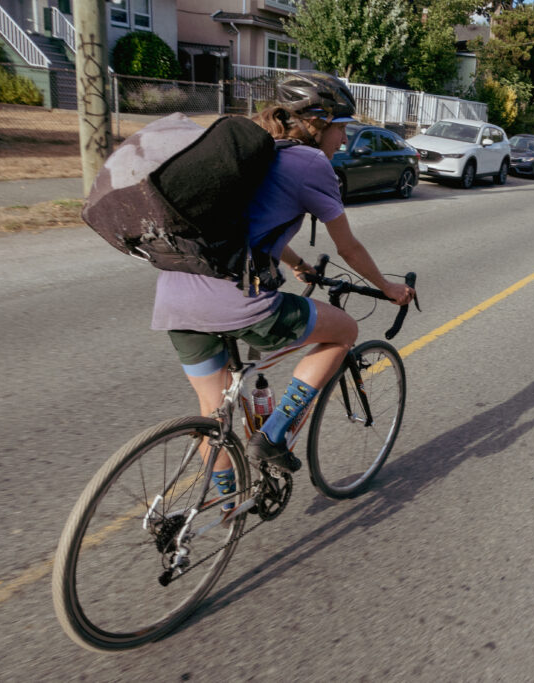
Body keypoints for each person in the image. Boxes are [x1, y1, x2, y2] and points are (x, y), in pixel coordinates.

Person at [150, 71, 414, 505]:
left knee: (213, 414)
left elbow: (248, 224)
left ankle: (224, 510)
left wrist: (295, 262)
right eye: (341, 129)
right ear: (318, 122)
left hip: (175, 293)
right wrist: (387, 287)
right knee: (344, 331)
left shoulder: (253, 149)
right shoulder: (311, 163)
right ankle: (273, 437)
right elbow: (348, 246)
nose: (343, 141)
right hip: (233, 301)